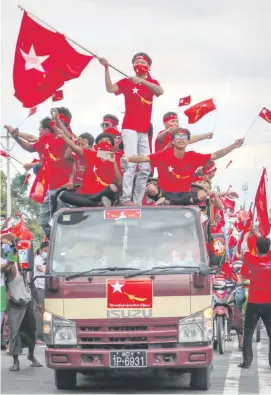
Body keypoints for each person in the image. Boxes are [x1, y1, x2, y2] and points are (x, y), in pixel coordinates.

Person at [99, 52, 163, 206]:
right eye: (136, 61)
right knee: (131, 161)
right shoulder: (127, 82)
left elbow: (160, 91)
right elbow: (110, 88)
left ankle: (137, 200)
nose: (138, 63)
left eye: (142, 61)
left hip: (143, 129)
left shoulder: (152, 82)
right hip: (129, 127)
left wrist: (142, 81)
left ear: (148, 66)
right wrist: (106, 68)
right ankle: (125, 198)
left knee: (146, 166)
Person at [122, 127, 244, 206]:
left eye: (184, 137)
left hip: (184, 195)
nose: (181, 139)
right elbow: (144, 158)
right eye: (178, 137)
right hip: (164, 193)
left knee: (202, 193)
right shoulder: (164, 154)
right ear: (173, 141)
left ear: (188, 141)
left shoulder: (193, 156)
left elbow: (216, 155)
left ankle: (169, 203)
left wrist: (233, 146)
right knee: (150, 188)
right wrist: (128, 158)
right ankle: (168, 201)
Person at [5, 107, 73, 237]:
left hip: (66, 188)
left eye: (60, 120)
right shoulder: (46, 139)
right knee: (44, 221)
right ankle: (53, 243)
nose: (56, 122)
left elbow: (68, 136)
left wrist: (57, 120)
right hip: (51, 188)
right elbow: (30, 147)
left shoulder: (68, 138)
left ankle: (66, 243)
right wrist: (16, 137)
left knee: (64, 219)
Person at [56, 130, 122, 207]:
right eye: (101, 140)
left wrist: (114, 163)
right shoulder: (92, 154)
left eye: (107, 140)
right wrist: (64, 137)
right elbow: (75, 148)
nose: (104, 142)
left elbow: (119, 182)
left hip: (105, 192)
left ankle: (94, 202)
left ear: (112, 145)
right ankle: (97, 203)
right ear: (97, 145)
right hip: (87, 194)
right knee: (63, 195)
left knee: (112, 188)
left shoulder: (117, 157)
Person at [5, 249, 43, 371]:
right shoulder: (11, 268)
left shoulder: (28, 271)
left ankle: (31, 356)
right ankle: (16, 362)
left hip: (27, 303)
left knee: (31, 331)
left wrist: (38, 303)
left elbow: (32, 287)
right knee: (14, 333)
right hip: (14, 304)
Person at [238, 231, 271, 369]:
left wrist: (247, 235)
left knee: (248, 332)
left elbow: (244, 247)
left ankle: (247, 361)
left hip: (254, 302)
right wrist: (258, 234)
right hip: (269, 303)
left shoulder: (251, 260)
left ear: (256, 248)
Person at [33, 242, 49, 343]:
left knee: (45, 312)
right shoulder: (38, 259)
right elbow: (40, 268)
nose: (46, 252)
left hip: (46, 287)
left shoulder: (47, 259)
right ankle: (38, 336)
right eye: (46, 251)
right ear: (42, 249)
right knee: (39, 311)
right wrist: (50, 271)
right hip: (39, 288)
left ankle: (44, 335)